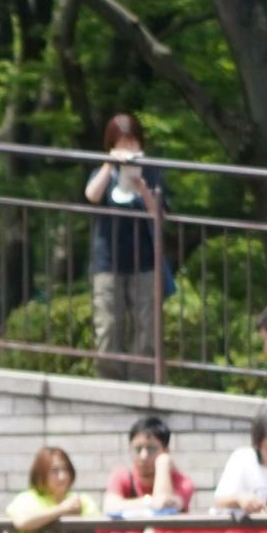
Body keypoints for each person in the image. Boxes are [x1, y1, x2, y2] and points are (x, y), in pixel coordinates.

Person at [83, 113, 166, 382]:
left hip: (144, 260)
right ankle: (109, 380)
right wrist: (110, 165)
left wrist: (142, 188)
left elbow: (159, 213)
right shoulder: (103, 171)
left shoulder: (151, 172)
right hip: (108, 260)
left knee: (147, 325)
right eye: (120, 143)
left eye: (131, 142)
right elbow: (92, 195)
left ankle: (142, 380)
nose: (127, 148)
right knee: (107, 323)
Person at [103, 415, 195, 515]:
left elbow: (162, 506)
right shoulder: (122, 475)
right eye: (138, 449)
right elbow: (109, 507)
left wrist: (163, 462)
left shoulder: (183, 483)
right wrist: (149, 501)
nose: (144, 456)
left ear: (165, 451)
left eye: (151, 449)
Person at [6, 445, 99, 531]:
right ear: (40, 474)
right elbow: (21, 522)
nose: (62, 476)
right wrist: (62, 509)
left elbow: (101, 531)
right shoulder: (26, 499)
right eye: (55, 471)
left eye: (66, 469)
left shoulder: (82, 500)